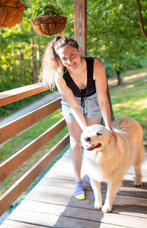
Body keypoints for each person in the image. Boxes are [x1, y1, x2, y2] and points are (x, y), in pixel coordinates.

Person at [41, 35, 117, 200]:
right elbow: (74, 106)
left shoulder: (95, 66)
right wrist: (86, 131)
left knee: (93, 143)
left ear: (79, 51)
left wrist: (109, 127)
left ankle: (90, 174)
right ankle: (78, 182)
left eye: (72, 55)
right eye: (64, 58)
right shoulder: (60, 76)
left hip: (94, 101)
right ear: (60, 60)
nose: (69, 61)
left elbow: (103, 99)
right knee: (76, 143)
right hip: (72, 105)